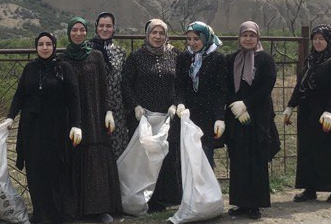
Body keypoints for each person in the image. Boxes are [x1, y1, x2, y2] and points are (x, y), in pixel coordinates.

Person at [8, 31, 81, 224]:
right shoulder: (30, 68)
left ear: (55, 46)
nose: (45, 47)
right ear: (36, 47)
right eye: (41, 44)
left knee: (54, 171)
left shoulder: (63, 67)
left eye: (48, 44)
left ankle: (55, 216)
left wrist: (76, 124)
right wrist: (9, 117)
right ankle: (39, 213)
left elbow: (74, 98)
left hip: (56, 128)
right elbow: (19, 95)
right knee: (35, 170)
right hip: (31, 128)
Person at [60, 16, 122, 223]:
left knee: (96, 159)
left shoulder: (95, 56)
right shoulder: (62, 59)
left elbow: (104, 88)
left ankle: (100, 208)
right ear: (69, 33)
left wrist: (108, 111)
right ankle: (74, 209)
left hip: (95, 115)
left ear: (87, 32)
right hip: (72, 116)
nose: (78, 33)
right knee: (73, 158)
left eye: (81, 30)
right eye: (74, 30)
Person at [284, 24, 331, 203]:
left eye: (321, 38)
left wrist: (330, 111)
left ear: (329, 40)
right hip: (309, 112)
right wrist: (291, 106)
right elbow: (301, 85)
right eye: (315, 38)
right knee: (310, 149)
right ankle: (310, 188)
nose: (317, 42)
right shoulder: (311, 60)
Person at [121, 18, 181, 212]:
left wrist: (175, 104)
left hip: (167, 117)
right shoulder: (136, 57)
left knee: (165, 156)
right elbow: (126, 84)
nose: (157, 36)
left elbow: (181, 84)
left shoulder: (174, 55)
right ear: (147, 35)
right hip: (143, 118)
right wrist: (135, 106)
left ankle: (164, 198)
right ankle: (142, 198)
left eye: (161, 33)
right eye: (153, 33)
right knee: (144, 159)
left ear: (166, 35)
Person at [222, 21, 278, 218]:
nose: (247, 39)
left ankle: (255, 204)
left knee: (256, 159)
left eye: (251, 36)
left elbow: (266, 87)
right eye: (244, 35)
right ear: (239, 37)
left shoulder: (265, 60)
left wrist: (246, 104)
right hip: (236, 117)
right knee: (238, 159)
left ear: (257, 38)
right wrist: (235, 106)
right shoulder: (231, 60)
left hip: (258, 118)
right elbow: (226, 87)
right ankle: (240, 202)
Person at [176, 21, 228, 167]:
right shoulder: (184, 58)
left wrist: (219, 118)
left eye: (196, 39)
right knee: (187, 159)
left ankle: (206, 190)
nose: (192, 43)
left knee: (205, 158)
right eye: (189, 39)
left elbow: (220, 91)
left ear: (205, 38)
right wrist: (180, 102)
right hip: (188, 115)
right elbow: (179, 85)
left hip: (208, 116)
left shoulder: (218, 59)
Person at [89, 12, 129, 156]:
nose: (104, 29)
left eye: (108, 26)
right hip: (94, 106)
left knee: (117, 147)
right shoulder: (87, 50)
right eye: (101, 26)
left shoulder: (120, 52)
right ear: (96, 27)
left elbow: (124, 80)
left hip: (117, 107)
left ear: (114, 28)